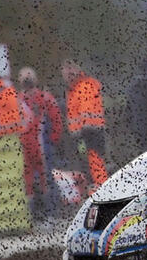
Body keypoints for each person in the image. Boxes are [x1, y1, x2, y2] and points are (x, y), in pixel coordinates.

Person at [17, 67, 62, 216]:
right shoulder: (18, 101)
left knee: (46, 179)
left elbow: (56, 120)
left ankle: (52, 213)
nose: (27, 80)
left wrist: (53, 140)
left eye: (29, 76)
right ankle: (35, 215)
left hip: (43, 146)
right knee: (29, 182)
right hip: (24, 148)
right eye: (24, 77)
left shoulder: (45, 97)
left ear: (36, 80)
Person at [62, 60, 108, 190]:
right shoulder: (74, 89)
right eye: (65, 69)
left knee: (96, 169)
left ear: (78, 69)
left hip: (89, 136)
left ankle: (101, 195)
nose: (68, 73)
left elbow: (88, 117)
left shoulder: (84, 86)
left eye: (71, 69)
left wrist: (81, 136)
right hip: (84, 136)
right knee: (90, 170)